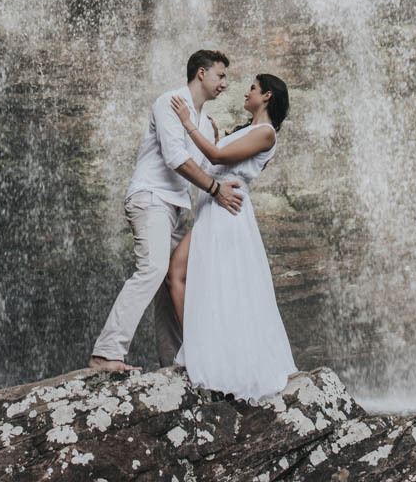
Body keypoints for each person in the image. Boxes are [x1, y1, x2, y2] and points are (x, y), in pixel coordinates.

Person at [89, 50, 244, 373]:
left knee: (171, 280)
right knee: (153, 269)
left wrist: (212, 143)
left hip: (175, 207)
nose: (225, 84)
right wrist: (216, 191)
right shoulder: (170, 102)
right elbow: (176, 159)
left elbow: (202, 168)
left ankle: (174, 362)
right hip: (151, 198)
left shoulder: (201, 121)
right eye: (221, 75)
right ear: (201, 73)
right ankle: (106, 353)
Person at [166, 73, 297, 402]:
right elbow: (213, 162)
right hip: (214, 207)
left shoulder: (265, 134)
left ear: (267, 96)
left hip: (228, 213)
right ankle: (201, 348)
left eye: (252, 88)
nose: (245, 92)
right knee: (176, 275)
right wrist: (209, 133)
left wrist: (188, 122)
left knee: (218, 283)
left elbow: (218, 158)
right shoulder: (246, 131)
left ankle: (210, 355)